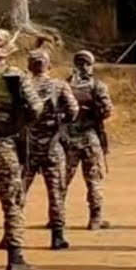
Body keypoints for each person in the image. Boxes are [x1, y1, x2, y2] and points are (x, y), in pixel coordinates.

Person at [0, 28, 43, 270]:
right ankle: (15, 256)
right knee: (13, 200)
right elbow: (35, 108)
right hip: (5, 143)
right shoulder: (15, 75)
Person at [22, 47, 79, 250]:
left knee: (18, 193)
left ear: (29, 66)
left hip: (27, 147)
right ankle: (57, 236)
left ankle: (11, 235)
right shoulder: (59, 86)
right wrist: (61, 118)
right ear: (49, 65)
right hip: (52, 145)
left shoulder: (23, 86)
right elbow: (73, 111)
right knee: (56, 191)